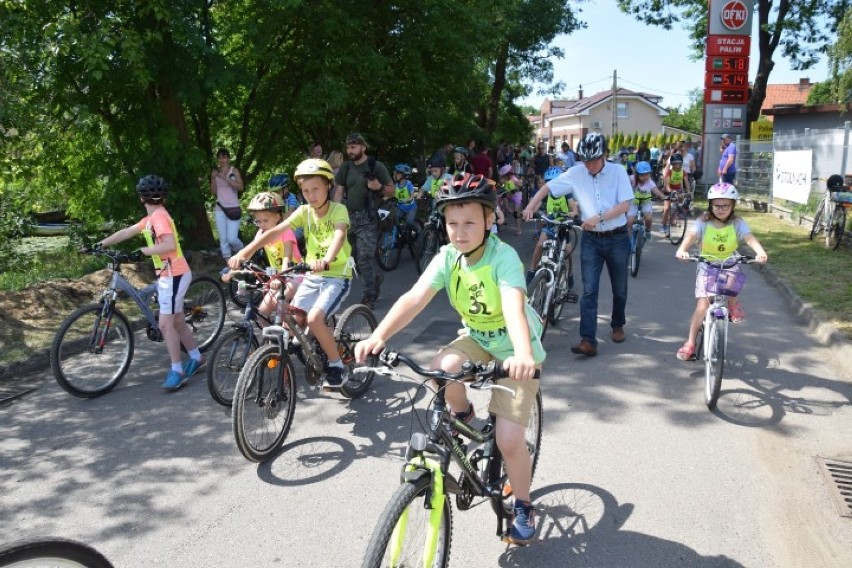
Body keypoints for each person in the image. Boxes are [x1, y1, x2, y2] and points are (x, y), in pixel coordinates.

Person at [354, 173, 545, 545]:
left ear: (490, 220)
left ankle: (523, 503)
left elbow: (513, 308)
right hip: (477, 339)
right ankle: (467, 419)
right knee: (440, 370)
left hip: (515, 349)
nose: (459, 231)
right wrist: (378, 336)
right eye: (452, 223)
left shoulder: (502, 258)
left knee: (508, 441)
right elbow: (414, 298)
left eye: (470, 222)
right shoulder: (448, 258)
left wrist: (522, 355)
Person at [229, 159, 354, 387]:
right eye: (306, 191)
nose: (311, 195)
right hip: (312, 276)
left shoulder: (338, 209)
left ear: (328, 186)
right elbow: (276, 231)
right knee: (287, 312)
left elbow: (339, 235)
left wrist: (327, 259)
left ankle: (337, 364)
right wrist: (245, 252)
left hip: (336, 276)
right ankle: (304, 343)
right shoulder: (304, 212)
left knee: (315, 318)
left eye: (316, 188)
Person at [523, 132, 632, 357]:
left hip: (618, 238)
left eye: (594, 160)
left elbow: (625, 205)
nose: (590, 165)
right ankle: (588, 340)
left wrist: (598, 217)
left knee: (619, 289)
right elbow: (547, 188)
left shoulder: (618, 171)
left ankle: (617, 324)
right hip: (592, 240)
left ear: (604, 155)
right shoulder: (576, 172)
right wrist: (531, 205)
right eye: (586, 160)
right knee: (589, 291)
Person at [97, 175, 202, 390]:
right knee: (178, 321)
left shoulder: (159, 217)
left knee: (166, 324)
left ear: (141, 198)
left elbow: (170, 245)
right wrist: (101, 243)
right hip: (170, 274)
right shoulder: (153, 217)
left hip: (175, 274)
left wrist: (142, 251)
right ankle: (196, 357)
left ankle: (177, 370)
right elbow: (127, 231)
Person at [674, 182, 768, 360]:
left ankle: (733, 305)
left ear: (733, 205)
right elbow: (692, 236)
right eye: (716, 205)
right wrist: (682, 249)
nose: (721, 209)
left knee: (731, 289)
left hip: (730, 261)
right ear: (710, 205)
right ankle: (690, 343)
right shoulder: (703, 221)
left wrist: (760, 252)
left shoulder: (737, 222)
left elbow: (748, 237)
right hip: (707, 264)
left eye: (726, 205)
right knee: (702, 306)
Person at [333, 133, 393, 309]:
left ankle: (369, 296)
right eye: (348, 147)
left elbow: (392, 190)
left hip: (369, 218)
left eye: (353, 147)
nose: (350, 151)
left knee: (364, 258)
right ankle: (375, 278)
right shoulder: (346, 167)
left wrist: (379, 187)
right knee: (350, 256)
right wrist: (334, 213)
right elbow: (339, 192)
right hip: (349, 217)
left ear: (363, 147)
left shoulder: (376, 166)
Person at [221, 192, 303, 310]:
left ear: (277, 217)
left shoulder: (286, 232)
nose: (261, 225)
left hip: (294, 275)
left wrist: (281, 277)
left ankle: (293, 327)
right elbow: (249, 253)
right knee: (263, 313)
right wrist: (231, 271)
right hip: (277, 278)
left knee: (282, 309)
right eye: (258, 221)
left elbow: (287, 258)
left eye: (265, 220)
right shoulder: (261, 234)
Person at [525, 165, 579, 283]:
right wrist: (530, 213)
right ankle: (532, 270)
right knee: (539, 245)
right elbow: (537, 204)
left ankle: (570, 275)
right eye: (549, 182)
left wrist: (572, 213)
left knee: (568, 253)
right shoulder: (547, 194)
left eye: (555, 181)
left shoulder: (567, 193)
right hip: (550, 224)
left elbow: (574, 208)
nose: (552, 185)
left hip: (563, 225)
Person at [210, 148, 245, 270]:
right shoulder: (215, 172)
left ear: (228, 159)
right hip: (220, 208)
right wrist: (213, 178)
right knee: (223, 239)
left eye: (224, 157)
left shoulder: (233, 171)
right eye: (220, 158)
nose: (222, 160)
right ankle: (229, 265)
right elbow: (213, 192)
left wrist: (226, 179)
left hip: (233, 208)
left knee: (232, 239)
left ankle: (244, 251)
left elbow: (241, 187)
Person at [627, 161, 664, 237]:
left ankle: (648, 231)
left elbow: (656, 190)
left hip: (645, 201)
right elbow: (623, 183)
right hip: (633, 202)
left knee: (648, 218)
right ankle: (627, 239)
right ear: (637, 174)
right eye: (642, 175)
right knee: (629, 221)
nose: (645, 177)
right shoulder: (631, 179)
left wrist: (664, 197)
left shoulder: (650, 182)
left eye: (647, 174)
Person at [661, 153, 691, 237]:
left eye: (678, 163)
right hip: (669, 190)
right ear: (672, 164)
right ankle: (663, 225)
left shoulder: (683, 172)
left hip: (678, 189)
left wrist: (688, 191)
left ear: (681, 163)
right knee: (666, 208)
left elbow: (686, 182)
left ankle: (673, 220)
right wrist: (670, 191)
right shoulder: (669, 171)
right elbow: (666, 185)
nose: (676, 165)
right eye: (674, 163)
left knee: (677, 206)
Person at [497, 164, 523, 236]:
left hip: (517, 196)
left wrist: (516, 188)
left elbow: (521, 186)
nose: (503, 176)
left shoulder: (514, 179)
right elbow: (501, 187)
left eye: (504, 175)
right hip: (509, 195)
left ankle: (518, 229)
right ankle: (503, 221)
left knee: (516, 213)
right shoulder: (503, 180)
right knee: (501, 206)